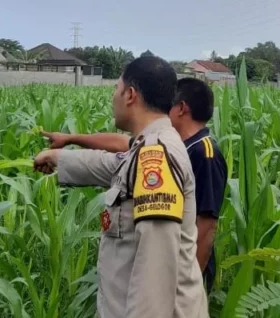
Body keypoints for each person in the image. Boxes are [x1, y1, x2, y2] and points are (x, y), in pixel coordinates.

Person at [34, 57, 211, 318]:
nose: (113, 95)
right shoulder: (150, 148)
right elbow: (113, 168)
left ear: (131, 94)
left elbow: (158, 256)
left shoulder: (156, 157)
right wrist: (61, 158)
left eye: (116, 88)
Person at [43, 78, 228, 292]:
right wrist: (70, 138)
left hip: (183, 273)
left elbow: (206, 225)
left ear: (181, 109)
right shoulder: (169, 144)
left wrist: (187, 287)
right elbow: (121, 143)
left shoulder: (204, 153)